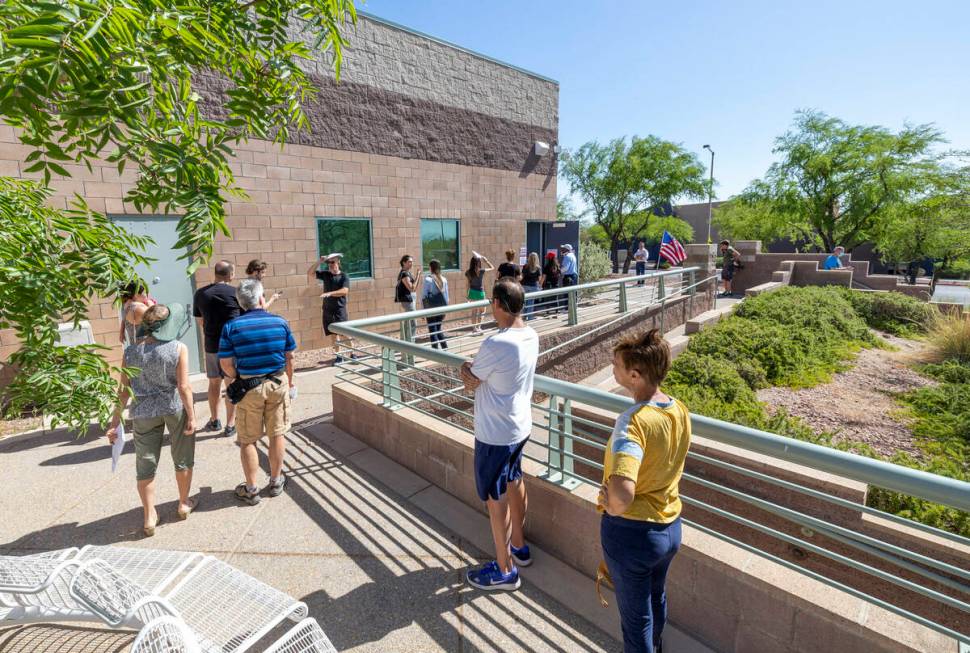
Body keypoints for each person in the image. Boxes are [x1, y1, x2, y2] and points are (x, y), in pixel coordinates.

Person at [598, 329, 691, 653]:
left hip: (633, 534)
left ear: (634, 375)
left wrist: (610, 506)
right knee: (656, 597)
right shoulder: (677, 409)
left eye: (616, 365)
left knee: (635, 622)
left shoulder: (633, 422)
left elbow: (623, 494)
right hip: (670, 527)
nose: (613, 369)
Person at [460, 279, 539, 591]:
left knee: (496, 499)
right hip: (520, 427)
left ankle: (505, 571)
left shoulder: (496, 343)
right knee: (515, 479)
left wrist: (465, 368)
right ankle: (519, 547)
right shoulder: (531, 335)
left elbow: (472, 380)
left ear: (497, 304)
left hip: (495, 434)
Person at [106, 304, 198, 537]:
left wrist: (114, 422)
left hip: (142, 410)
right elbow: (184, 386)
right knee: (182, 456)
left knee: (145, 462)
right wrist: (192, 415)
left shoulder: (131, 352)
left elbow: (123, 391)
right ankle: (184, 503)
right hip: (173, 406)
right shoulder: (178, 348)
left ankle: (149, 515)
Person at [218, 279, 297, 506]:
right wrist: (289, 382)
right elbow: (290, 357)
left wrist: (238, 378)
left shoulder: (231, 327)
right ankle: (275, 480)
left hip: (248, 388)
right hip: (277, 383)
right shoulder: (280, 322)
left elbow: (225, 363)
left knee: (248, 439)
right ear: (262, 299)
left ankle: (251, 490)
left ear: (242, 304)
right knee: (277, 433)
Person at [193, 260, 241, 437]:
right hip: (232, 346)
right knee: (231, 383)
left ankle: (214, 420)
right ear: (230, 275)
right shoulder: (236, 292)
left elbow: (200, 322)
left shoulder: (200, 294)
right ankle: (230, 425)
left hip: (212, 345)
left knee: (214, 384)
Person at [307, 253, 355, 363]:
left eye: (333, 262)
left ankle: (353, 353)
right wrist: (319, 261)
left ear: (338, 262)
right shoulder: (326, 275)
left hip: (339, 309)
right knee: (333, 334)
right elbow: (310, 273)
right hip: (328, 310)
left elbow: (345, 291)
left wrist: (330, 293)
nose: (330, 265)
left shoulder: (344, 276)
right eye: (328, 262)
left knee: (344, 333)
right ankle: (339, 356)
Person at [422, 259, 450, 349]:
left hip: (431, 308)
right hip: (441, 308)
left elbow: (424, 296)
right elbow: (446, 296)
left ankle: (435, 352)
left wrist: (423, 311)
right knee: (438, 329)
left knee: (433, 330)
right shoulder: (444, 279)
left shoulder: (428, 279)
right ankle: (445, 348)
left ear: (431, 268)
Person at [465, 254, 494, 335]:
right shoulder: (481, 271)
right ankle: (479, 327)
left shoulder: (468, 272)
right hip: (480, 293)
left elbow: (467, 285)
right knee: (482, 311)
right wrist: (486, 260)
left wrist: (467, 296)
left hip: (472, 292)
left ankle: (474, 328)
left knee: (474, 311)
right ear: (478, 262)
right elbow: (492, 268)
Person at [520, 252, 544, 320]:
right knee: (531, 301)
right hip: (533, 286)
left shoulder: (525, 266)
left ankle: (524, 316)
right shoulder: (538, 268)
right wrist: (540, 286)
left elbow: (522, 276)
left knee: (525, 301)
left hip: (524, 285)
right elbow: (539, 279)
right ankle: (530, 317)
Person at [541, 251, 562, 316]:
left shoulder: (547, 266)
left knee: (548, 298)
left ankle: (548, 312)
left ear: (549, 258)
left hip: (548, 284)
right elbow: (560, 275)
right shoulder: (557, 266)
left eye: (547, 258)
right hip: (555, 284)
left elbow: (544, 277)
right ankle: (556, 311)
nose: (546, 259)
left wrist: (540, 285)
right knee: (555, 298)